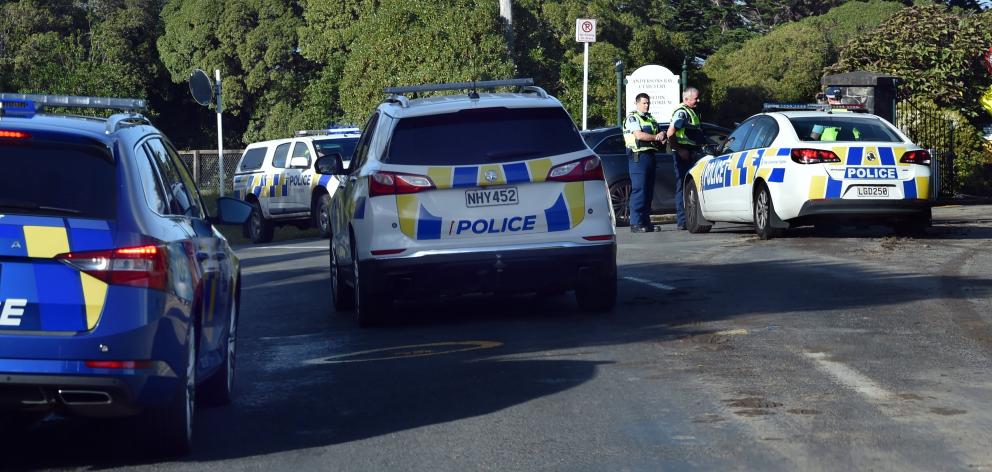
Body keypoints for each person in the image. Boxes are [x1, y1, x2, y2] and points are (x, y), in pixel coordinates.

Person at [623, 93, 667, 233]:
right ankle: (635, 223)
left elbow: (660, 132)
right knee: (639, 190)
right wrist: (655, 137)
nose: (646, 105)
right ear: (636, 103)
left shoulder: (650, 119)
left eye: (648, 102)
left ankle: (646, 223)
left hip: (650, 156)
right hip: (638, 157)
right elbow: (639, 135)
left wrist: (662, 136)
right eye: (644, 103)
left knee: (648, 191)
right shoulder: (632, 118)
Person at [667, 87, 704, 230]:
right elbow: (671, 133)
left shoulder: (692, 112)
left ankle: (689, 220)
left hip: (691, 153)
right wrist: (680, 149)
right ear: (686, 99)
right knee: (683, 187)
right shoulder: (681, 113)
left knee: (690, 187)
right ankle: (682, 221)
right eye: (695, 98)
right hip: (683, 155)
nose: (698, 100)